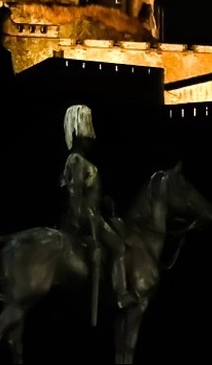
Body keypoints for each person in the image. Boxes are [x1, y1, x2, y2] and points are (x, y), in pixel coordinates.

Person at [59, 104, 137, 315]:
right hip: (88, 217)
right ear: (78, 135)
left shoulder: (81, 161)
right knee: (119, 246)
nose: (91, 139)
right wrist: (82, 223)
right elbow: (75, 195)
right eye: (86, 136)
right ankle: (121, 294)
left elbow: (87, 192)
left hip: (93, 213)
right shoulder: (76, 160)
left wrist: (104, 200)